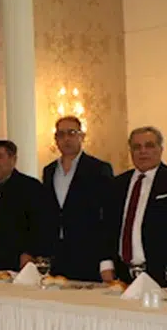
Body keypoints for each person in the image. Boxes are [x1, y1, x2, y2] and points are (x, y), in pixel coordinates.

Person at [99, 127, 167, 287]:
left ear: (160, 149)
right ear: (131, 151)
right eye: (137, 147)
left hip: (166, 272)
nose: (143, 151)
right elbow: (107, 226)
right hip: (123, 273)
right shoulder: (118, 184)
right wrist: (106, 263)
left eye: (149, 145)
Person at [41, 116, 114, 281]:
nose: (66, 139)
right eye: (61, 134)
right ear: (56, 140)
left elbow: (108, 216)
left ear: (82, 136)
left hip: (88, 253)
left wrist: (106, 261)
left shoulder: (98, 169)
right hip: (56, 254)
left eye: (72, 133)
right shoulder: (49, 171)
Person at [0, 140, 50, 271]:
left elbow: (39, 224)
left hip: (18, 259)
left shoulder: (30, 187)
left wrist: (30, 252)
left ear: (13, 159)